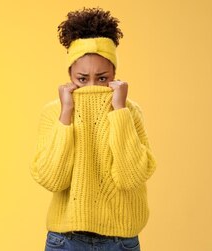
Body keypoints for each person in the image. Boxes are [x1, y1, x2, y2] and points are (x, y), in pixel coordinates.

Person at [29, 7, 158, 251]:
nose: (91, 86)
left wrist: (119, 112)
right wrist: (66, 114)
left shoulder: (129, 111)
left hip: (121, 241)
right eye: (82, 79)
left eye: (102, 78)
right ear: (69, 74)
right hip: (66, 240)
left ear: (115, 75)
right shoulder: (53, 112)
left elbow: (131, 177)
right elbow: (52, 179)